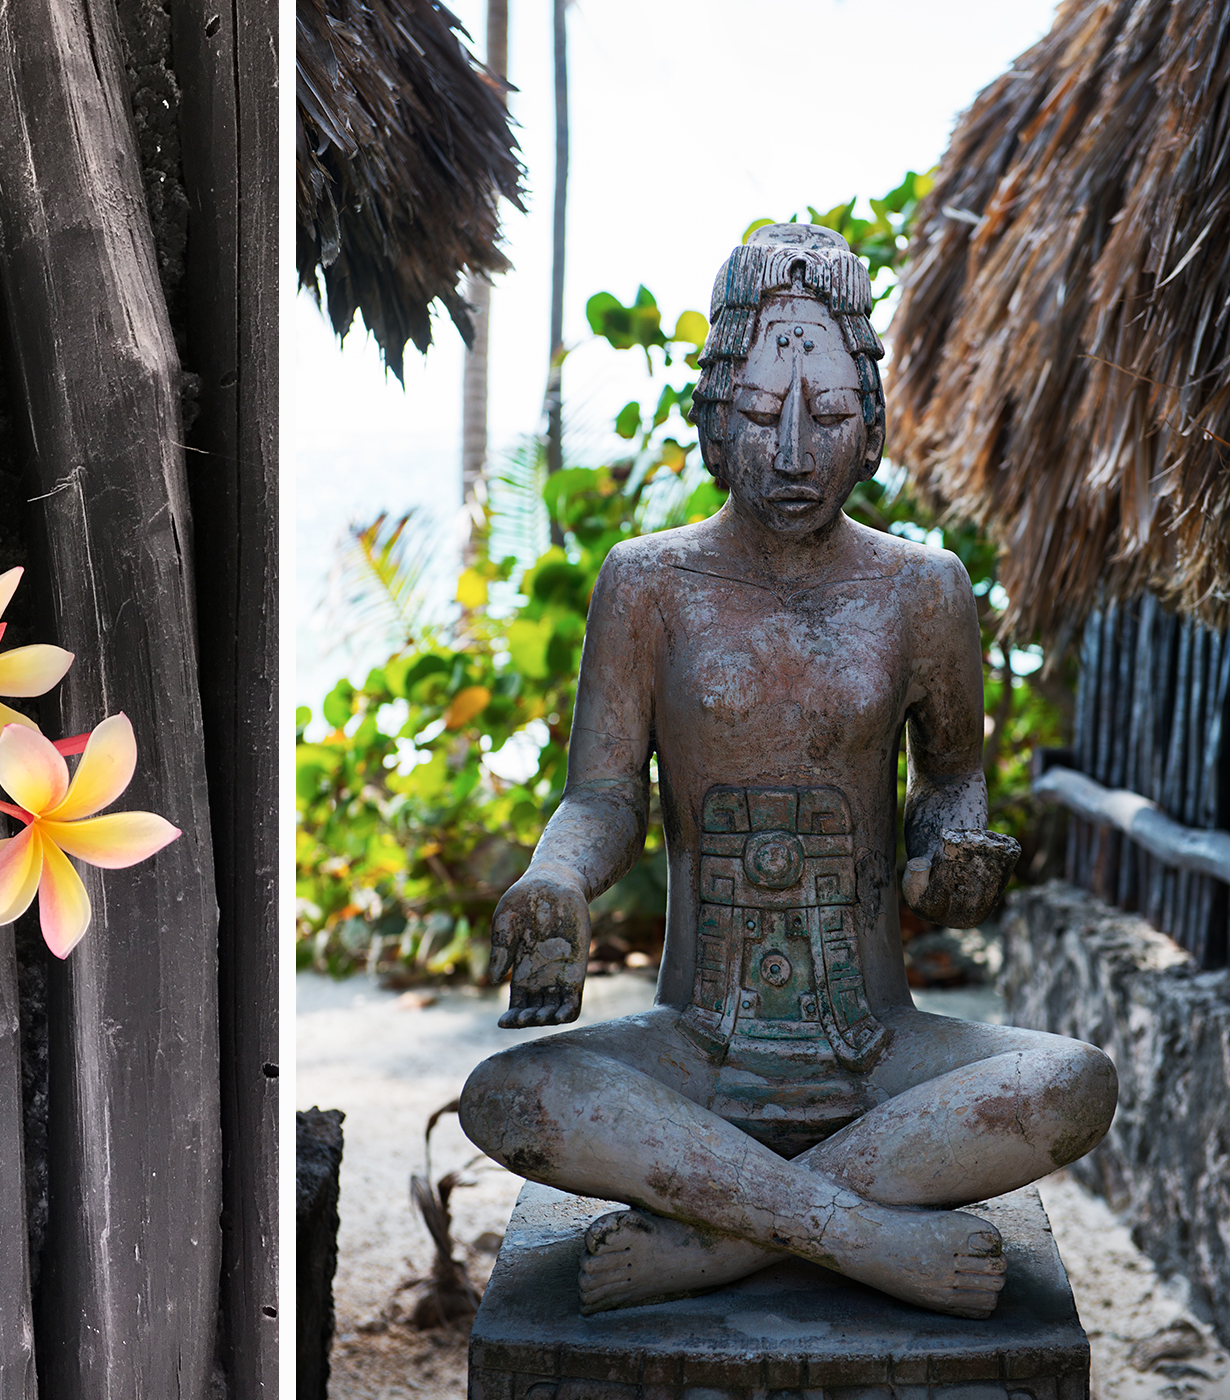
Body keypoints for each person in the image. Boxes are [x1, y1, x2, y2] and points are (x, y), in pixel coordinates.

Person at [457, 223, 1115, 1320]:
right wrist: (557, 880)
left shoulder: (923, 590)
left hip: (878, 1047)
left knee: (1073, 1080)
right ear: (715, 416)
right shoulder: (648, 584)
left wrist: (949, 853)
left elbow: (954, 784)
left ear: (872, 426)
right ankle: (850, 1231)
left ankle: (718, 1241)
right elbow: (603, 795)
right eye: (763, 417)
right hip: (696, 1048)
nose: (797, 451)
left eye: (830, 417)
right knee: (509, 1095)